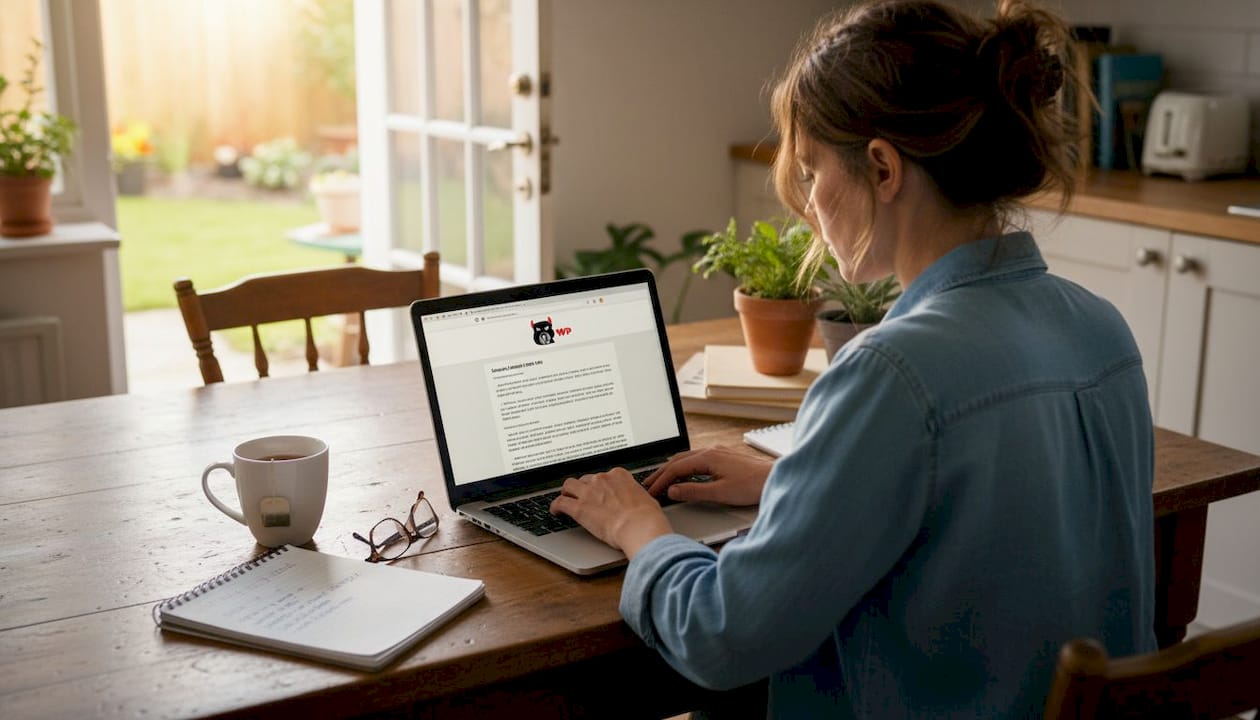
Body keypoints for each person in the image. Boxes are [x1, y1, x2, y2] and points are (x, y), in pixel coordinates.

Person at [549, 0, 1156, 716]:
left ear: (881, 166)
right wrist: (797, 482)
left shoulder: (893, 373)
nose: (807, 201)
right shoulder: (1102, 330)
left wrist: (638, 531)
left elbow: (723, 637)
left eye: (810, 171)